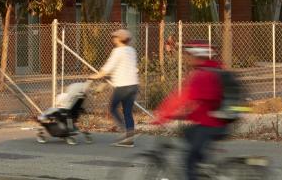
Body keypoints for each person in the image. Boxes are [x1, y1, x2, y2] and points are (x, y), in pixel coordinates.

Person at [153, 42, 231, 180]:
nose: (188, 59)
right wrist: (179, 115)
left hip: (211, 124)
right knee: (188, 134)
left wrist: (163, 114)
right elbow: (201, 103)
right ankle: (203, 165)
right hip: (217, 121)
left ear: (197, 57)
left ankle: (198, 167)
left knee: (190, 161)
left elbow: (182, 97)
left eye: (189, 55)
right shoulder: (216, 70)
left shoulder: (202, 75)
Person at [95, 27, 140, 146]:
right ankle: (129, 139)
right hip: (133, 85)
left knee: (113, 107)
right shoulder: (131, 50)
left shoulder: (117, 51)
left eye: (114, 37)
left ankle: (126, 131)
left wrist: (95, 76)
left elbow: (107, 69)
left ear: (119, 39)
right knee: (127, 112)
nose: (113, 39)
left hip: (122, 86)